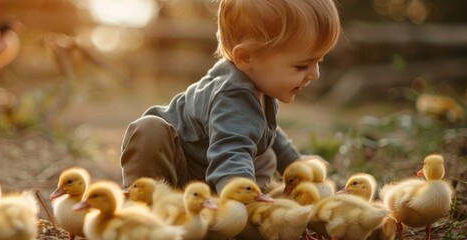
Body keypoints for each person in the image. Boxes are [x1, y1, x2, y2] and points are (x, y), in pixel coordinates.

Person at [120, 0, 341, 193]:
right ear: (245, 57)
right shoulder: (232, 96)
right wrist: (240, 194)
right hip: (179, 170)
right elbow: (230, 151)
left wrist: (295, 163)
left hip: (207, 170)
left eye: (318, 62)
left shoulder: (259, 83)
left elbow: (269, 133)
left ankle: (240, 197)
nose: (314, 74)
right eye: (301, 66)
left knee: (265, 152)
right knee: (150, 129)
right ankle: (144, 202)